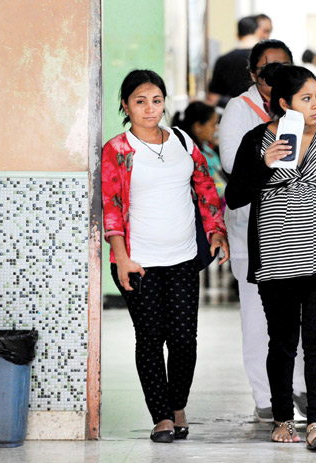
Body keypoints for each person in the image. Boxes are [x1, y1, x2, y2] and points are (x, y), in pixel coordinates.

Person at [225, 65, 316, 448]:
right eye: (306, 99)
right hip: (278, 258)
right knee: (284, 342)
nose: (315, 105)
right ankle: (283, 419)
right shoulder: (257, 140)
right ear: (283, 104)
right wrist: (264, 164)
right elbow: (235, 195)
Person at [101, 69, 229, 443]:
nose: (150, 108)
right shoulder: (118, 149)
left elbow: (205, 188)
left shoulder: (183, 141)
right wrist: (121, 257)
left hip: (183, 257)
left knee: (185, 340)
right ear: (126, 105)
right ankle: (162, 416)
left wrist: (215, 231)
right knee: (150, 338)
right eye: (140, 101)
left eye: (156, 100)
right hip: (138, 261)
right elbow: (111, 205)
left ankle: (177, 405)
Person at [218, 40, 309, 423]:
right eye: (266, 70)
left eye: (282, 67)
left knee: (301, 316)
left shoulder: (304, 102)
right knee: (257, 319)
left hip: (297, 225)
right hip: (251, 231)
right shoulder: (239, 110)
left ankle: (301, 389)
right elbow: (229, 165)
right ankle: (266, 396)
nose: (274, 76)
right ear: (253, 74)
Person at [172, 101, 227, 205]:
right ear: (198, 127)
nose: (216, 128)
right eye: (212, 125)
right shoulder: (192, 156)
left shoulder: (207, 148)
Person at [207, 16, 259, 109]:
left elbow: (213, 97)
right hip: (261, 116)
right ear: (258, 32)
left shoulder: (223, 60)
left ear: (237, 35)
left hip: (230, 114)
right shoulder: (265, 59)